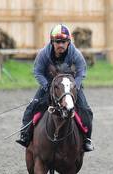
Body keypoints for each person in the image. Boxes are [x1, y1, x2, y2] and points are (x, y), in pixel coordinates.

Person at [16, 24, 94, 152]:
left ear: (69, 42)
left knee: (86, 110)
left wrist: (75, 86)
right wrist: (47, 85)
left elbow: (81, 72)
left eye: (64, 41)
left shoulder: (76, 54)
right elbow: (38, 72)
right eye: (57, 41)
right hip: (49, 85)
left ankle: (87, 140)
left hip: (70, 86)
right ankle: (25, 134)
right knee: (32, 106)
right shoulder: (43, 54)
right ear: (52, 42)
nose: (61, 45)